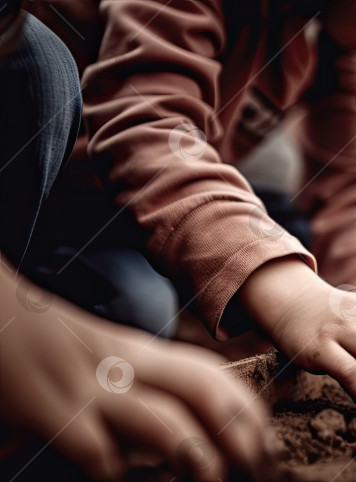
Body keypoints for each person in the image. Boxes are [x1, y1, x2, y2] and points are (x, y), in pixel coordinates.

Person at [23, 0, 356, 415]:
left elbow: (353, 183)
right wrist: (295, 298)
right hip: (59, 211)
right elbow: (150, 130)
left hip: (163, 208)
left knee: (291, 233)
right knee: (139, 308)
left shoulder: (343, 37)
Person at [0, 6, 275, 480]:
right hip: (92, 208)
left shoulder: (332, 45)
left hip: (151, 207)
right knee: (45, 70)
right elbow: (152, 127)